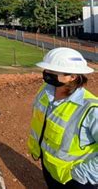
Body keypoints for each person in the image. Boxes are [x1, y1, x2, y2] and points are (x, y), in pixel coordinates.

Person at [28, 47, 97, 188]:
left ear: (73, 76)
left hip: (76, 179)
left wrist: (81, 174)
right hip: (49, 167)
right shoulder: (45, 91)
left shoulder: (90, 109)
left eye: (53, 72)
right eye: (47, 70)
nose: (47, 74)